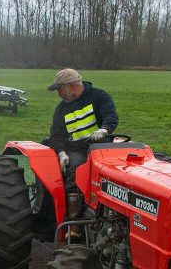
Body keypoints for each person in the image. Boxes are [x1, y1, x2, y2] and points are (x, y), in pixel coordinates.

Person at [45, 68, 119, 213]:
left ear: (72, 86)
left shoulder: (99, 96)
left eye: (60, 89)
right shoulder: (61, 110)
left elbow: (110, 116)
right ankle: (74, 223)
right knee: (76, 170)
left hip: (103, 148)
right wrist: (61, 153)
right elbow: (56, 136)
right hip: (77, 150)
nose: (58, 94)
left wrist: (103, 130)